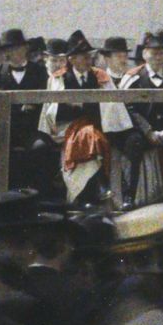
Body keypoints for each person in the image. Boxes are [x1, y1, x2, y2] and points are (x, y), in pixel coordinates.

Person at [41, 35, 133, 206]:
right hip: (67, 126)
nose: (89, 60)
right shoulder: (59, 78)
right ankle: (99, 186)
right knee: (89, 135)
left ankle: (90, 192)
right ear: (72, 59)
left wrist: (84, 106)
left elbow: (111, 107)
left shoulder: (100, 76)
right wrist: (73, 106)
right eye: (84, 56)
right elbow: (53, 110)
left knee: (90, 134)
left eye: (90, 56)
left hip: (96, 124)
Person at [120, 32, 163, 207]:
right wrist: (148, 130)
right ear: (144, 54)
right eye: (153, 52)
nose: (157, 56)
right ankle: (129, 196)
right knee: (133, 143)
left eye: (161, 52)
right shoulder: (133, 78)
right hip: (143, 131)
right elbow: (127, 107)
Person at [0, 27, 56, 199]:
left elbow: (45, 99)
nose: (15, 53)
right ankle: (3, 199)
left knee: (41, 148)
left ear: (26, 49)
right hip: (6, 130)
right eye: (10, 49)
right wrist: (19, 108)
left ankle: (40, 198)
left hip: (32, 129)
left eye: (18, 48)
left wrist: (33, 105)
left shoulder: (40, 71)